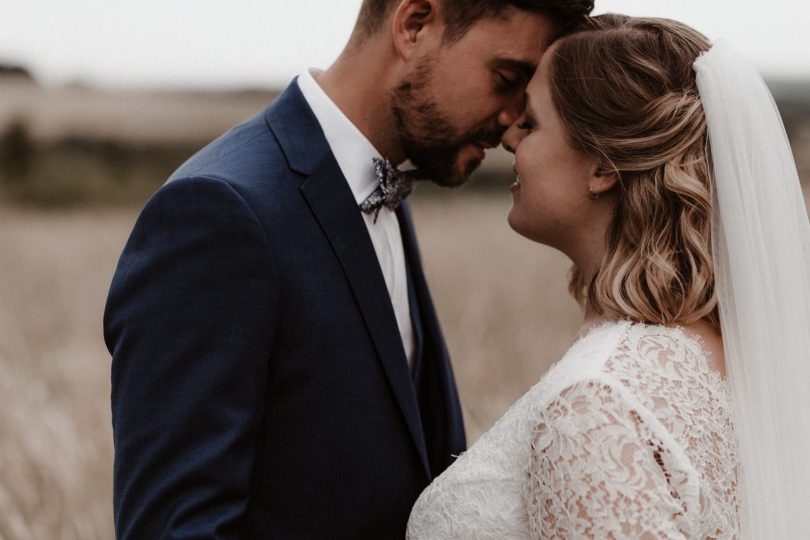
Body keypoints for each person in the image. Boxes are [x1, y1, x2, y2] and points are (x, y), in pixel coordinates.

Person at [103, 0, 593, 538]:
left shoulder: (382, 188)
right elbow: (173, 528)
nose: (509, 124)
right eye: (505, 78)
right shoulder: (219, 213)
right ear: (414, 24)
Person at [407, 14, 810, 539]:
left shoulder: (595, 403)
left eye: (530, 122)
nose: (507, 136)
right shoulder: (733, 355)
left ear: (601, 167)